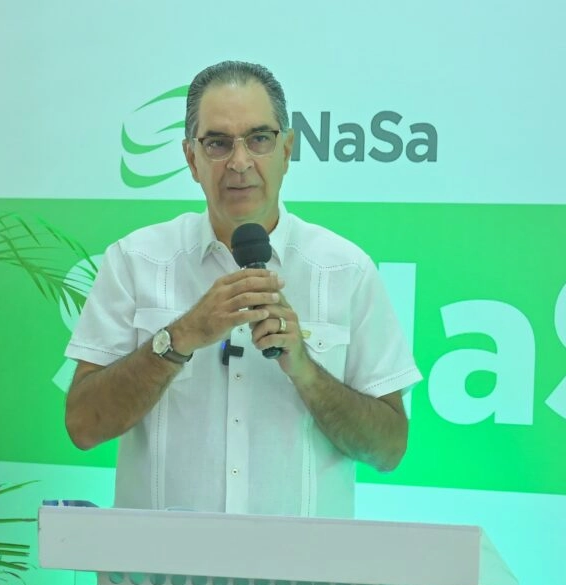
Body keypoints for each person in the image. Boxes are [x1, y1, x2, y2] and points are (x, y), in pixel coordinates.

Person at [63, 61, 421, 519]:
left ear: (286, 150)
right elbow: (83, 426)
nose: (239, 162)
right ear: (191, 158)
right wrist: (180, 337)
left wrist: (306, 370)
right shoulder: (135, 260)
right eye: (217, 143)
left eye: (259, 139)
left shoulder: (345, 269)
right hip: (160, 564)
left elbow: (388, 449)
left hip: (299, 564)